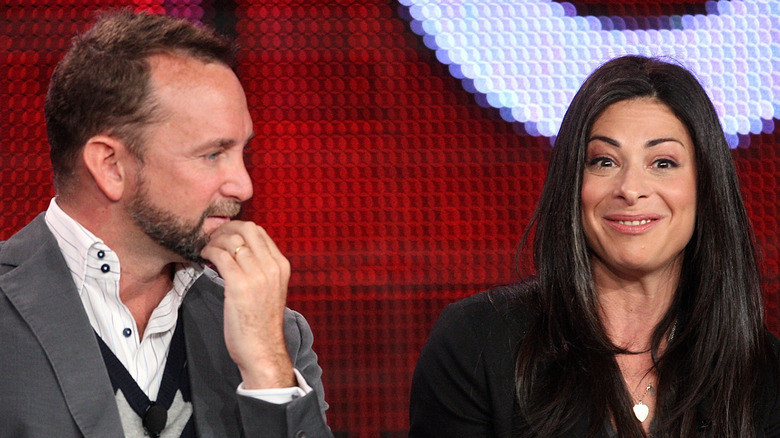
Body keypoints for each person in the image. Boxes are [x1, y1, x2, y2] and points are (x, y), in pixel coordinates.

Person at [0, 10, 332, 437]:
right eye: (213, 154)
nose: (244, 186)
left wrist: (267, 368)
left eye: (241, 152)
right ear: (111, 166)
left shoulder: (276, 334)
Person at [409, 55, 780, 437]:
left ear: (705, 187)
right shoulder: (477, 344)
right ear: (573, 185)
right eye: (604, 161)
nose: (631, 189)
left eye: (663, 162)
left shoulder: (761, 370)